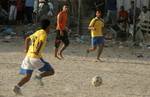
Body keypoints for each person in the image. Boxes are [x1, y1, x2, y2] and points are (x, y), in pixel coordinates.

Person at [13, 19, 55, 95]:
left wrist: (26, 49)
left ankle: (17, 87)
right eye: (50, 27)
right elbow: (41, 42)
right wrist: (37, 51)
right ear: (48, 26)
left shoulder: (37, 32)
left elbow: (27, 39)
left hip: (28, 57)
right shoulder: (44, 33)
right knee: (51, 71)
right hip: (35, 58)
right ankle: (39, 76)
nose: (50, 28)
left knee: (27, 77)